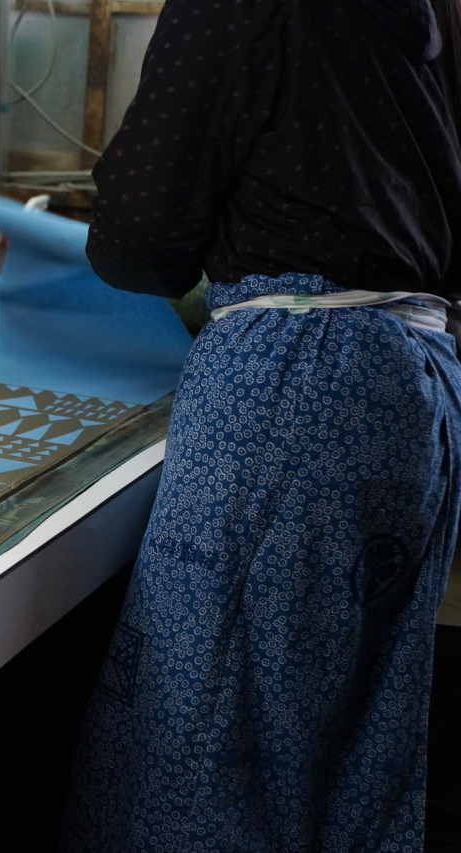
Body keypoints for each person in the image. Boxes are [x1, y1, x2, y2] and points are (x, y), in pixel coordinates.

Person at [64, 0, 461, 849]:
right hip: (417, 380)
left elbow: (139, 232)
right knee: (351, 768)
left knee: (203, 752)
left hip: (300, 383)